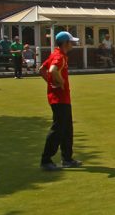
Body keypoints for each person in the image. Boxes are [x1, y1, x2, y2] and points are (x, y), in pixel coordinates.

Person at [38, 31, 81, 171]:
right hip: (59, 98)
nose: (73, 44)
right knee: (57, 129)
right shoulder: (59, 56)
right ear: (65, 43)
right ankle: (46, 160)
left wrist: (50, 83)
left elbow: (41, 69)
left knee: (67, 129)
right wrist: (60, 82)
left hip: (61, 98)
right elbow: (52, 70)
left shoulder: (56, 54)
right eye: (71, 42)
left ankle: (67, 158)